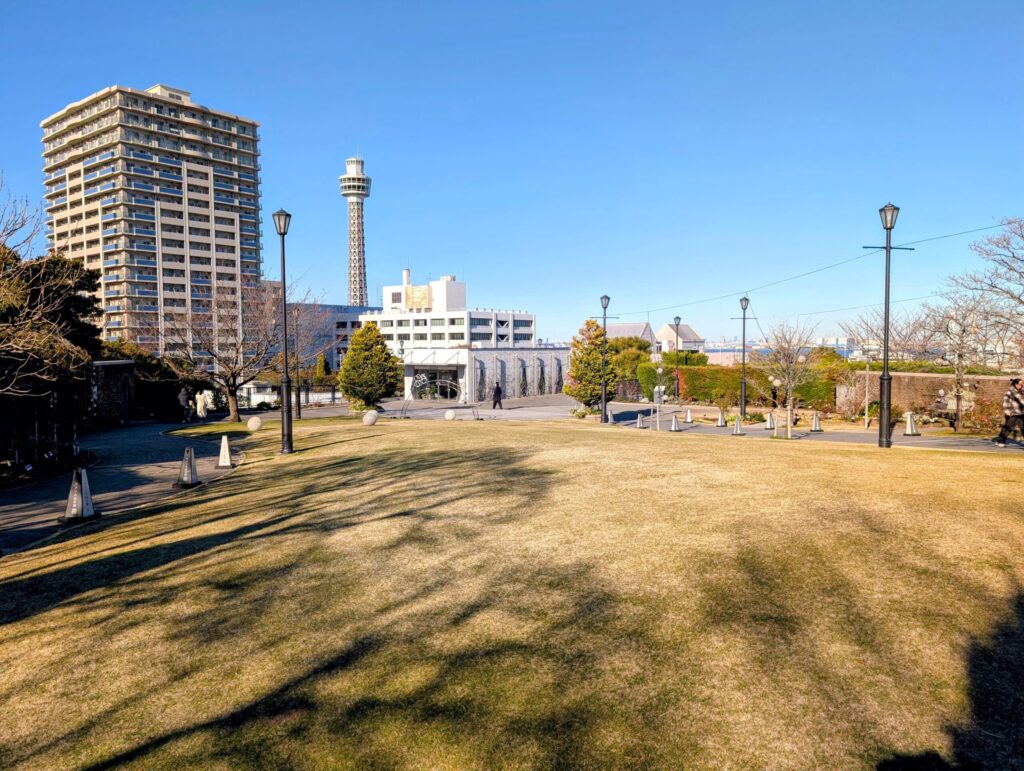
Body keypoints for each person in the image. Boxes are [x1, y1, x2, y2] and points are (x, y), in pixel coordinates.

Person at [994, 377, 1024, 447]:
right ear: (1015, 384)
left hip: (1022, 413)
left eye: (1022, 384)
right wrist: (1007, 411)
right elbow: (1006, 402)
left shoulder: (1022, 391)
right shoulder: (1009, 392)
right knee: (1008, 428)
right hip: (1012, 413)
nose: (1021, 386)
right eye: (1020, 384)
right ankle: (1000, 441)